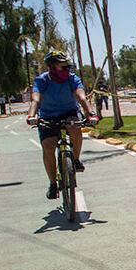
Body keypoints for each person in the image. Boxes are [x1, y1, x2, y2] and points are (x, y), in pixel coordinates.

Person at [26, 50, 97, 199]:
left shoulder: (72, 79)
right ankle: (53, 184)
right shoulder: (42, 80)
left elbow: (81, 97)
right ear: (51, 67)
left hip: (68, 112)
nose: (67, 70)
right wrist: (32, 115)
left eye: (68, 67)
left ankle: (76, 160)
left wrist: (90, 113)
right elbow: (36, 99)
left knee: (75, 127)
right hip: (48, 117)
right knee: (48, 146)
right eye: (63, 67)